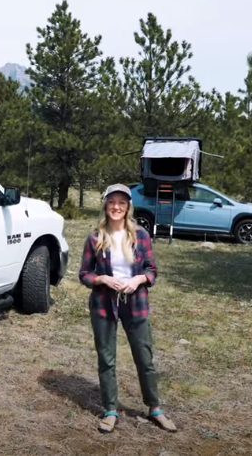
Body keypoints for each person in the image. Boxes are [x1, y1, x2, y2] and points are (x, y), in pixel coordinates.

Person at [78, 184, 177, 434]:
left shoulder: (140, 235)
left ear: (128, 206)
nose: (116, 207)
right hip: (104, 303)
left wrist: (137, 280)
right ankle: (110, 409)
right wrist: (102, 279)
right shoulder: (95, 237)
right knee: (106, 358)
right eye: (112, 202)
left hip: (135, 302)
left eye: (122, 203)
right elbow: (84, 274)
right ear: (105, 204)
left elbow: (151, 270)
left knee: (144, 357)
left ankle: (154, 407)